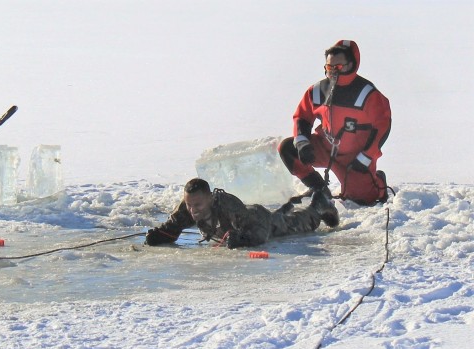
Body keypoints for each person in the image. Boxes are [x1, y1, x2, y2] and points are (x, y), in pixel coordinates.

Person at [278, 39, 392, 206]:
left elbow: (383, 126)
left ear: (351, 65)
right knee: (287, 148)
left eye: (338, 67)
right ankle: (318, 188)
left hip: (354, 158)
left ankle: (378, 182)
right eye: (329, 67)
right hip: (325, 147)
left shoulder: (368, 94)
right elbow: (302, 117)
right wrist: (302, 143)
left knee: (362, 199)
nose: (332, 72)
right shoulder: (317, 91)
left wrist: (366, 157)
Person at [145, 178, 338, 249]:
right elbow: (173, 227)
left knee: (292, 224)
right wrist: (161, 235)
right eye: (189, 205)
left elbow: (259, 234)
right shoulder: (190, 206)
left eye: (198, 205)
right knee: (282, 216)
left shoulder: (228, 205)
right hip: (244, 222)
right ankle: (291, 205)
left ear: (210, 199)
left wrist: (243, 239)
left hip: (258, 221)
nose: (193, 210)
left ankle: (319, 206)